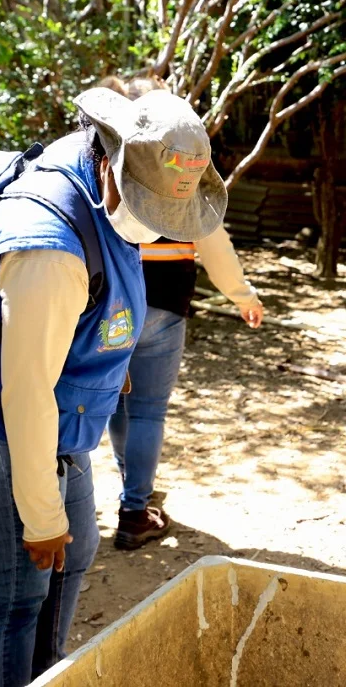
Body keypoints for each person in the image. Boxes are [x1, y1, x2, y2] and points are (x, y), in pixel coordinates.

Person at [0, 88, 226, 686]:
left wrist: (110, 368)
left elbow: (92, 311)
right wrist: (40, 516)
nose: (158, 233)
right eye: (149, 213)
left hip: (57, 414)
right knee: (17, 595)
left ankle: (46, 674)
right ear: (113, 170)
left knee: (77, 549)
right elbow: (27, 393)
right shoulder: (47, 250)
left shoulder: (96, 161)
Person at [103, 76, 264, 550]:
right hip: (164, 309)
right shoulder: (183, 179)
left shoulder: (109, 168)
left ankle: (134, 487)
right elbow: (215, 245)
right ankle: (135, 510)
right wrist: (243, 296)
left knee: (116, 401)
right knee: (148, 409)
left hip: (109, 311)